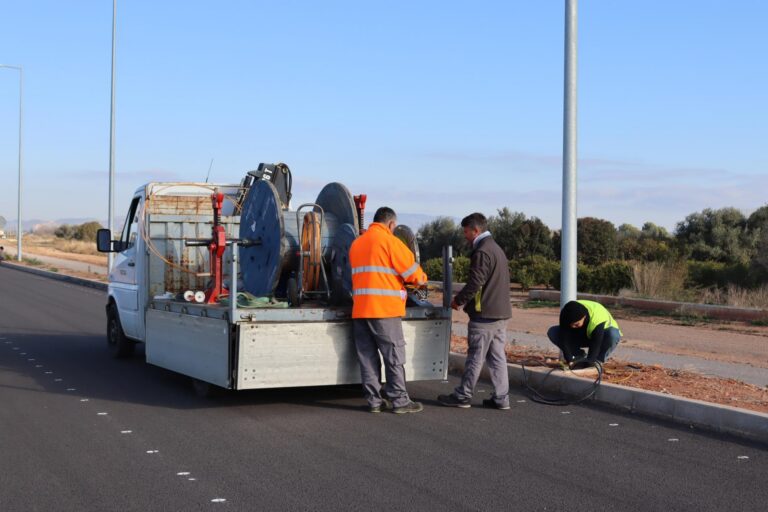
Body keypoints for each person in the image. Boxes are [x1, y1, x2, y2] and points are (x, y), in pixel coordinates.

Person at [349, 206, 428, 414]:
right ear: (391, 224)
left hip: (360, 310)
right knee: (394, 356)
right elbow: (414, 275)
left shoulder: (356, 244)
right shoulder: (391, 242)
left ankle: (374, 402)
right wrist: (422, 284)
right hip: (385, 311)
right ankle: (400, 402)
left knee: (367, 358)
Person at [438, 212, 512, 410]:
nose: (465, 236)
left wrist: (458, 301)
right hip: (500, 313)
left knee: (475, 357)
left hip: (484, 315)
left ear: (475, 230)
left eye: (466, 232)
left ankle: (463, 395)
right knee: (497, 358)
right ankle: (501, 398)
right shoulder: (496, 249)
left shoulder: (481, 252)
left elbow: (475, 282)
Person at [547, 300, 622, 365]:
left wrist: (590, 362)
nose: (573, 326)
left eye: (576, 324)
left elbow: (596, 343)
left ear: (584, 317)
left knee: (613, 335)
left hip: (602, 336)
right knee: (553, 332)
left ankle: (599, 361)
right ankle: (578, 356)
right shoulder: (566, 313)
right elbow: (564, 337)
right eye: (571, 325)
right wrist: (569, 359)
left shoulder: (597, 315)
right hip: (583, 335)